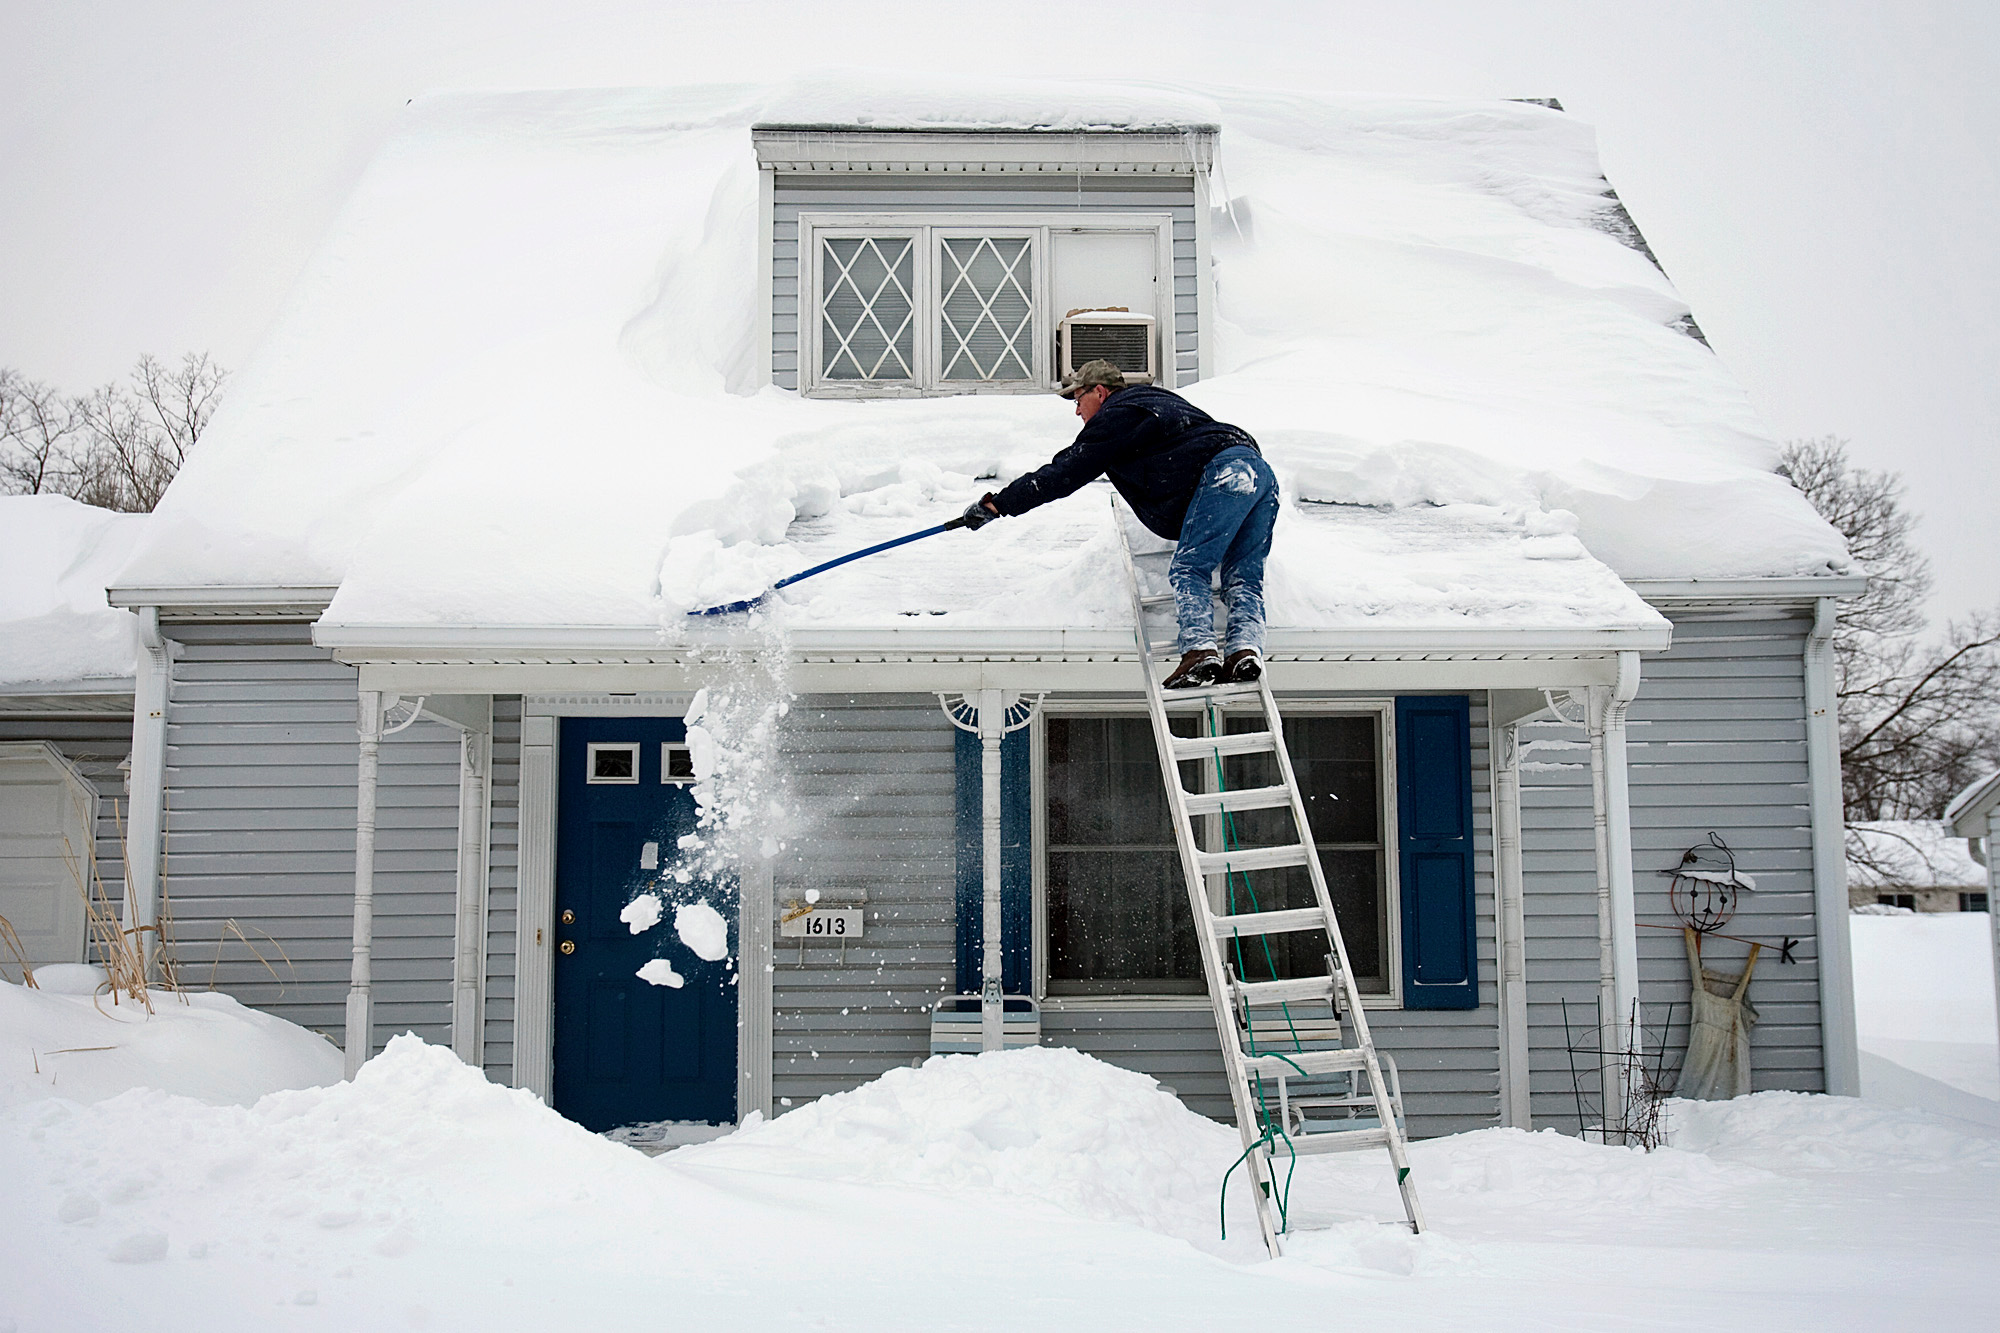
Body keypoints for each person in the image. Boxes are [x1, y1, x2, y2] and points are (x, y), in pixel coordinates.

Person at [960, 359, 1278, 689]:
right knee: (1244, 575)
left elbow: (1064, 473)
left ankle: (1200, 652)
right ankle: (1244, 651)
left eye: (1078, 398)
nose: (1077, 410)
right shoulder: (1158, 403)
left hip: (1224, 473)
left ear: (1099, 392)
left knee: (1190, 567)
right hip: (1259, 473)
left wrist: (998, 504)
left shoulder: (1120, 414)